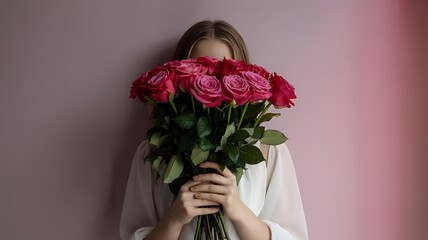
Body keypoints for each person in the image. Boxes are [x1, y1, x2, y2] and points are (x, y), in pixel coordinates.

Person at [120, 20, 309, 240]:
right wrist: (175, 218)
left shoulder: (270, 153)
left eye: (222, 72)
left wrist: (237, 210)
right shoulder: (152, 153)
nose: (212, 83)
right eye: (200, 71)